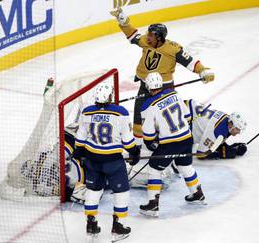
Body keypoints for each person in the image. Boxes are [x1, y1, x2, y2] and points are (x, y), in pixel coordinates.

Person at [110, 8, 215, 143]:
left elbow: (190, 61)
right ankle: (138, 145)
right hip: (145, 85)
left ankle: (175, 138)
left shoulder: (173, 48)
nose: (147, 37)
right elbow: (133, 36)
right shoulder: (146, 42)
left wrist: (202, 70)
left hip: (164, 89)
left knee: (163, 114)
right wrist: (124, 22)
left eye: (151, 35)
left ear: (159, 37)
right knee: (138, 115)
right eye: (148, 34)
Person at [73, 82, 140, 241]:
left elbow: (80, 138)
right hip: (113, 162)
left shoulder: (87, 112)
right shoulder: (120, 112)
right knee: (121, 192)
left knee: (93, 191)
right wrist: (134, 152)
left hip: (92, 159)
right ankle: (118, 227)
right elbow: (127, 140)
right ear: (110, 97)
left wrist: (80, 153)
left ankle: (91, 224)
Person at [139, 72, 205, 217]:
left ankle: (152, 204)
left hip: (169, 144)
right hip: (187, 138)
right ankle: (197, 193)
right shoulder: (175, 94)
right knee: (185, 166)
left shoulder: (147, 106)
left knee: (154, 169)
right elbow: (187, 116)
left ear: (148, 87)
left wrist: (152, 142)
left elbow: (148, 135)